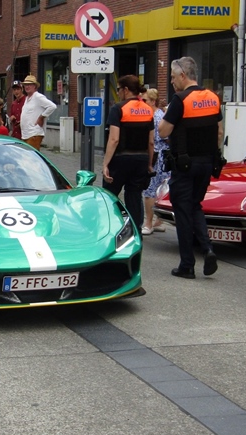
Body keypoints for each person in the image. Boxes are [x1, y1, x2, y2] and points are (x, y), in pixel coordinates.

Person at [158, 56, 223, 279]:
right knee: (195, 205)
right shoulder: (213, 98)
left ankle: (187, 265)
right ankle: (207, 248)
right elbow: (219, 132)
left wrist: (168, 115)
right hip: (207, 162)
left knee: (183, 212)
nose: (172, 82)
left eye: (173, 77)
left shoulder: (180, 100)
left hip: (184, 164)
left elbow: (163, 131)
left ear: (183, 75)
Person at [101, 75, 154, 229]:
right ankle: (136, 230)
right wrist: (149, 164)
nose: (118, 93)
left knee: (109, 196)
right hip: (141, 160)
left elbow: (114, 139)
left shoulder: (118, 109)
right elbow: (151, 141)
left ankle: (110, 227)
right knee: (134, 196)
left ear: (125, 90)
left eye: (118, 89)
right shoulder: (147, 109)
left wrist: (105, 164)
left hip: (120, 159)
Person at [142, 88, 170, 235]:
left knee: (149, 190)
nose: (142, 103)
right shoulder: (160, 115)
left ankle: (148, 223)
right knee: (159, 189)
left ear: (153, 101)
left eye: (145, 100)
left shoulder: (156, 117)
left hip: (157, 157)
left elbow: (159, 139)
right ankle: (158, 221)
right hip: (162, 157)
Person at [19, 75, 56, 150]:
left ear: (35, 86)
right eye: (25, 85)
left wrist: (41, 117)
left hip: (34, 133)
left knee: (31, 155)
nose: (27, 87)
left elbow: (52, 106)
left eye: (29, 84)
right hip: (26, 134)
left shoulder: (38, 97)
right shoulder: (27, 98)